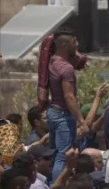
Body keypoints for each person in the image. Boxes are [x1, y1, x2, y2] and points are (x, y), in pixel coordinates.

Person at [46, 29, 90, 181]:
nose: (77, 44)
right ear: (64, 44)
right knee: (64, 156)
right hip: (63, 115)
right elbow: (69, 96)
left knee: (54, 153)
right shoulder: (66, 68)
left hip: (52, 113)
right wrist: (81, 122)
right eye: (73, 41)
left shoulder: (52, 61)